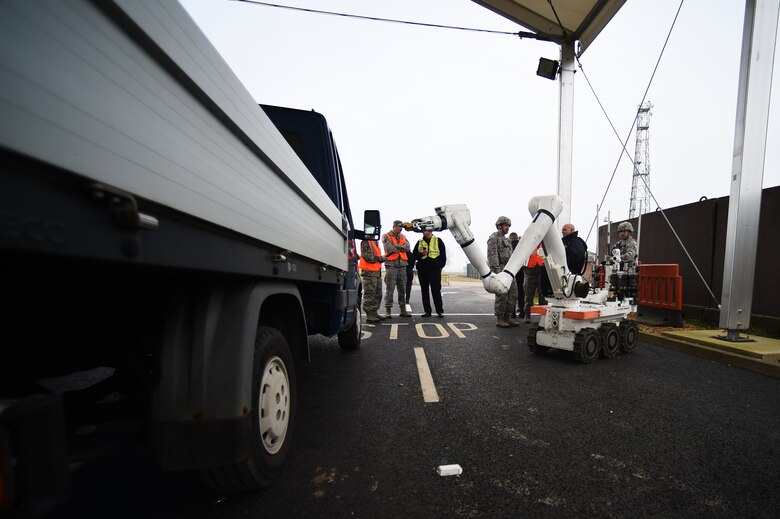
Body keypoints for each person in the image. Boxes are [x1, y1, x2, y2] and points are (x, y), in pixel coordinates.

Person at [487, 216, 519, 328]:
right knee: (502, 295)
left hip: (509, 270)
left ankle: (508, 317)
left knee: (513, 294)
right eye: (506, 226)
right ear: (499, 226)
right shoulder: (494, 238)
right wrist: (497, 272)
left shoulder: (506, 239)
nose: (507, 228)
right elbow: (492, 255)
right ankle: (500, 318)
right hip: (500, 269)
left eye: (508, 226)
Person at [412, 229, 447, 317]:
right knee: (424, 291)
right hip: (423, 270)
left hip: (434, 270)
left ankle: (439, 311)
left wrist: (439, 267)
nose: (426, 233)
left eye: (428, 231)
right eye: (425, 231)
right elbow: (414, 256)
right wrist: (421, 254)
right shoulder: (419, 242)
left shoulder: (438, 240)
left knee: (436, 290)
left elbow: (443, 256)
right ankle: (427, 311)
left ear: (431, 231)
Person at [382, 220, 412, 318]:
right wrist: (401, 247)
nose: (401, 228)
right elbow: (389, 249)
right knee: (390, 289)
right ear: (394, 226)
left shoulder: (403, 236)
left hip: (402, 265)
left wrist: (397, 247)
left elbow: (408, 248)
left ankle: (403, 310)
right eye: (400, 226)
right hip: (391, 265)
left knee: (402, 289)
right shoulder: (386, 236)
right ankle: (388, 311)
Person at [358, 238, 386, 322]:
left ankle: (374, 312)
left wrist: (381, 259)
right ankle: (369, 315)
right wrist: (381, 258)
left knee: (377, 294)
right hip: (369, 273)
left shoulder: (374, 242)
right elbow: (367, 257)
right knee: (370, 294)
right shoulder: (366, 242)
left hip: (376, 272)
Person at [523, 243, 547, 323]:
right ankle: (527, 314)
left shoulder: (544, 243)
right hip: (530, 269)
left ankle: (544, 316)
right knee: (529, 293)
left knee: (543, 294)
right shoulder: (529, 242)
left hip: (542, 268)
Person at [508, 232, 525, 319]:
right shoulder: (522, 246)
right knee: (521, 292)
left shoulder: (508, 246)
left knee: (512, 292)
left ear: (510, 238)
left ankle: (513, 312)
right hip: (521, 271)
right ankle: (522, 311)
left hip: (512, 271)